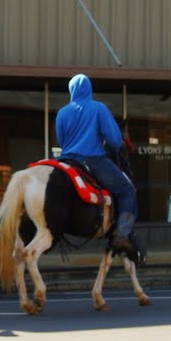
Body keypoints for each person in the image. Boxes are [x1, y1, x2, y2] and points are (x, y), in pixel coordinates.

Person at [55, 73, 137, 253]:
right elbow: (115, 141)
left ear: (71, 90)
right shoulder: (99, 108)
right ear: (89, 89)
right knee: (128, 191)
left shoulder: (62, 112)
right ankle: (122, 235)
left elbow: (62, 142)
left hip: (67, 161)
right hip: (93, 160)